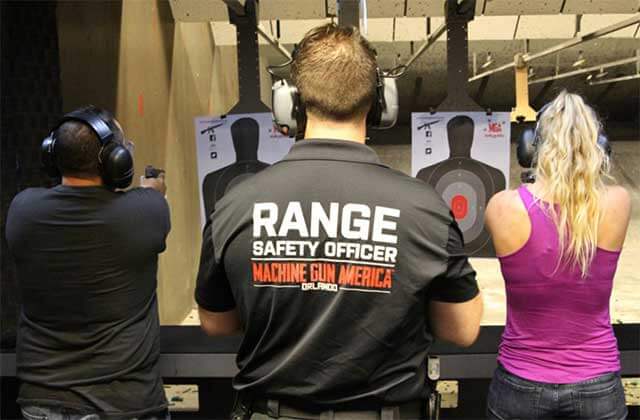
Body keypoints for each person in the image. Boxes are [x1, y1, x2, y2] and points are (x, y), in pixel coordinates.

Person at [195, 24, 483, 420]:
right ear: (381, 103)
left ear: (290, 103)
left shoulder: (234, 204)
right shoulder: (426, 207)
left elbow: (216, 322)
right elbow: (461, 329)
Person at [5, 106, 171, 420]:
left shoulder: (22, 210)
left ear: (51, 156)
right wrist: (155, 191)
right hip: (126, 403)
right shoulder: (147, 210)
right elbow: (148, 204)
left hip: (42, 401)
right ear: (115, 161)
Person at [485, 91, 631, 419]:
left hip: (520, 381)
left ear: (531, 149)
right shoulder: (618, 203)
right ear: (599, 146)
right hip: (597, 383)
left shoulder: (503, 207)